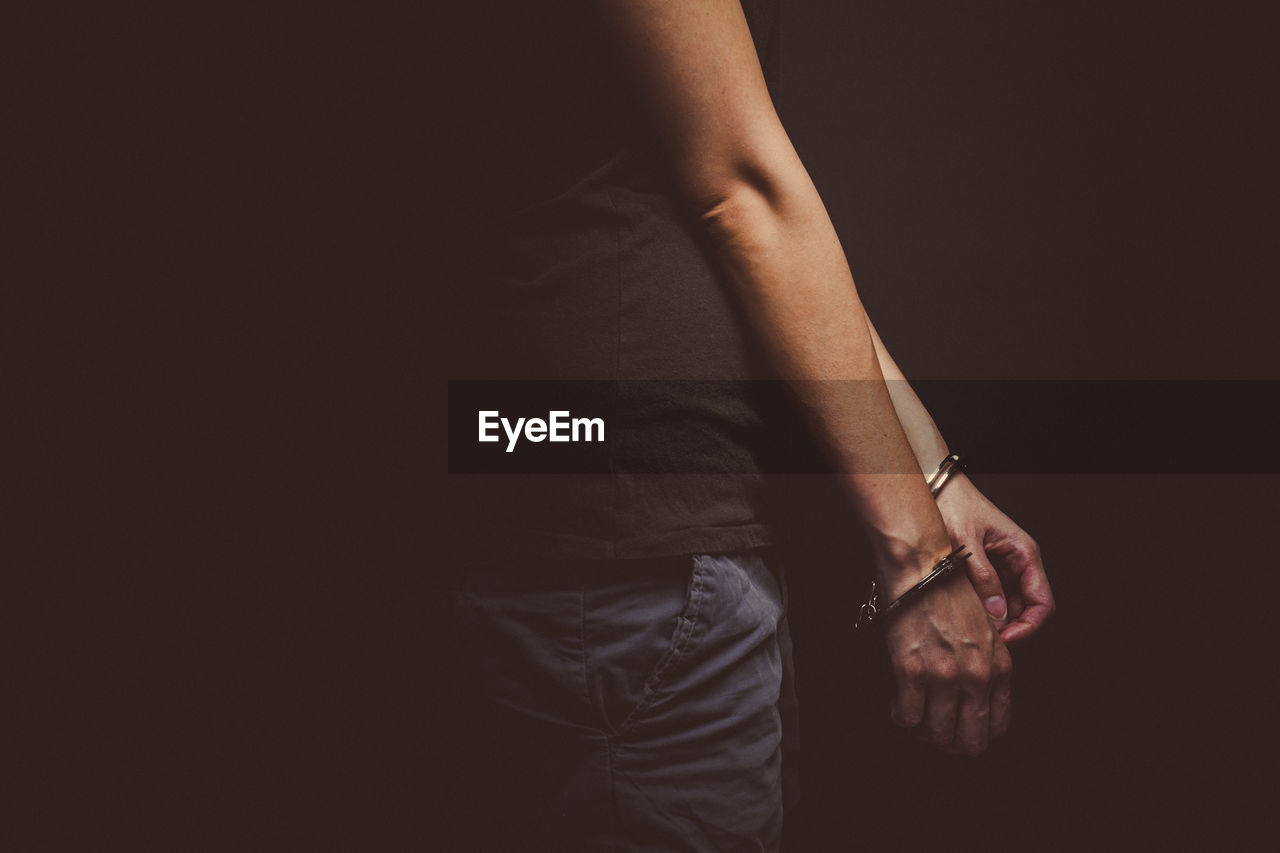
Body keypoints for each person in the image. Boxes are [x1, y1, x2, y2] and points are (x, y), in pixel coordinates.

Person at [440, 1, 1055, 850]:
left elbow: (734, 206)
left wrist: (934, 474)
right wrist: (920, 560)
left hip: (635, 549)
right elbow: (743, 196)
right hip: (628, 559)